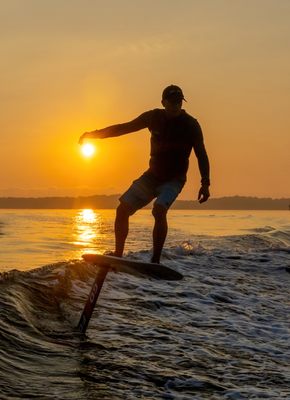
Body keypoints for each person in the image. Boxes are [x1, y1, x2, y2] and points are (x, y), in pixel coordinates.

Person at [79, 85, 210, 263]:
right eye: (172, 102)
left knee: (159, 209)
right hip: (152, 176)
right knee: (122, 209)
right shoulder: (153, 117)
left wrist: (205, 183)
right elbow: (124, 128)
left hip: (174, 179)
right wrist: (93, 135)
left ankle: (155, 260)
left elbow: (201, 153)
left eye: (179, 102)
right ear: (163, 102)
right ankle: (118, 255)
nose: (175, 106)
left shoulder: (191, 124)